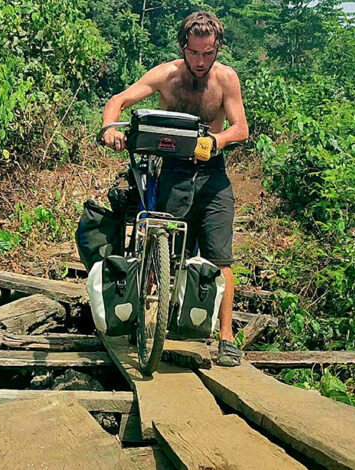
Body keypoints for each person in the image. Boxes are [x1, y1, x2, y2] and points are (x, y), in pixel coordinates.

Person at [100, 10, 249, 366]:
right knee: (160, 239)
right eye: (194, 53)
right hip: (173, 169)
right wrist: (110, 129)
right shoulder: (167, 75)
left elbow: (241, 127)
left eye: (208, 53)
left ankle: (225, 337)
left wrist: (218, 140)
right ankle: (144, 317)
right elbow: (118, 101)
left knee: (220, 255)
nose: (200, 61)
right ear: (183, 47)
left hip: (212, 173)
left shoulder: (226, 79)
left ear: (217, 49)